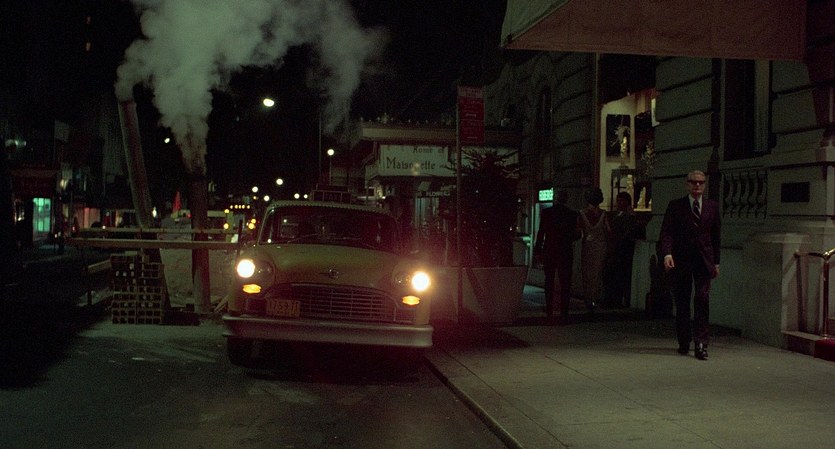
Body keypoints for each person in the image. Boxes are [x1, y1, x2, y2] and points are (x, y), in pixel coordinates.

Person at [660, 170, 721, 361]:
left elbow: (716, 236)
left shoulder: (712, 207)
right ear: (687, 184)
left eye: (701, 182)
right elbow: (667, 232)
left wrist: (716, 262)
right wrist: (667, 254)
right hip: (682, 260)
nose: (697, 186)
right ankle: (684, 340)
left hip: (704, 260)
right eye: (694, 182)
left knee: (702, 299)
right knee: (683, 301)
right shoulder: (676, 206)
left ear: (705, 185)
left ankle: (701, 343)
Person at [534, 190, 579, 322]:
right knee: (565, 282)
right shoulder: (572, 214)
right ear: (566, 199)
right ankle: (564, 311)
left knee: (549, 280)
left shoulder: (547, 213)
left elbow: (541, 232)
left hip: (550, 249)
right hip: (565, 250)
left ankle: (549, 309)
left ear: (555, 198)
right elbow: (575, 234)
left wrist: (538, 250)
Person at [603, 191, 638, 308]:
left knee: (619, 275)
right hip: (615, 247)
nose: (618, 203)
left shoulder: (628, 217)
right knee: (612, 275)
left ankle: (616, 299)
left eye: (621, 200)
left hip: (622, 249)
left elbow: (627, 232)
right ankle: (612, 298)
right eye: (618, 200)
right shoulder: (617, 215)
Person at [577, 187, 610, 311]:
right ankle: (594, 298)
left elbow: (578, 231)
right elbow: (608, 230)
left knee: (587, 273)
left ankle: (588, 298)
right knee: (597, 273)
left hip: (587, 244)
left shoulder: (582, 213)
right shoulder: (604, 214)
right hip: (601, 245)